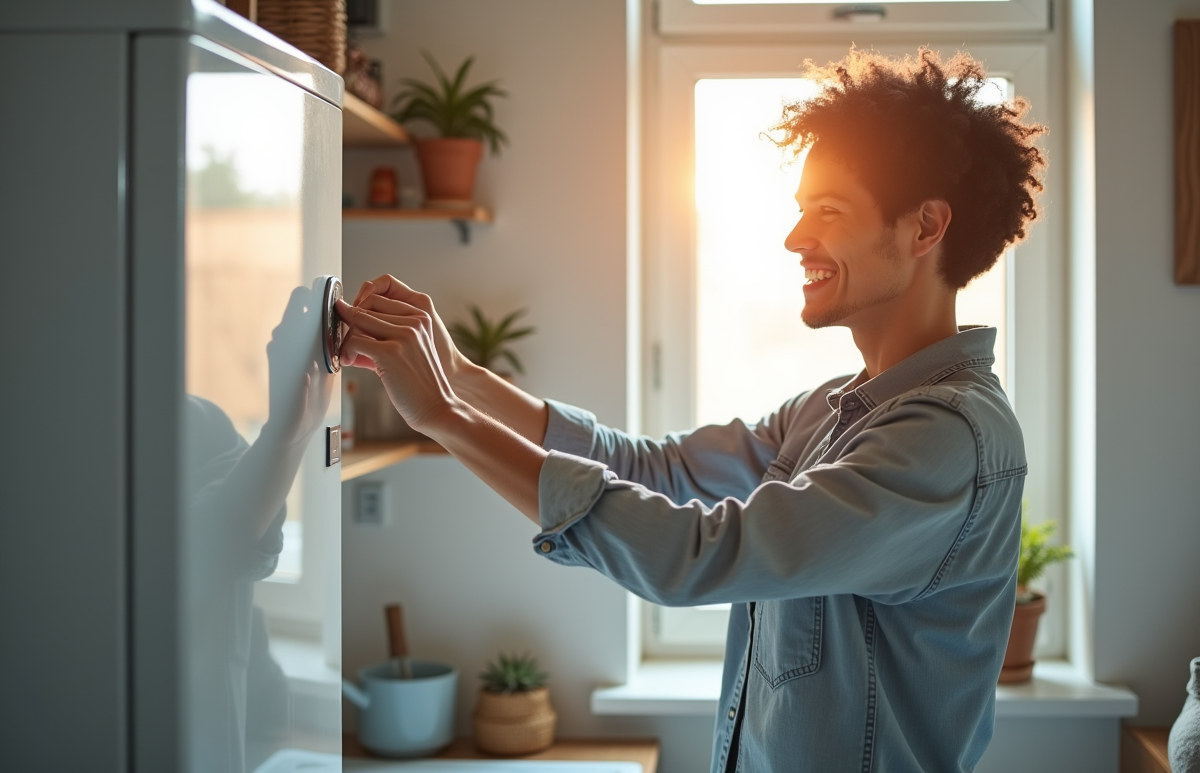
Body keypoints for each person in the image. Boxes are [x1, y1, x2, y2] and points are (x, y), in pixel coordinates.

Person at [334, 48, 1047, 773]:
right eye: (801, 211)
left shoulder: (947, 438)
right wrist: (460, 376)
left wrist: (447, 416)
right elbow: (657, 468)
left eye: (827, 211)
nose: (796, 239)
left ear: (925, 227)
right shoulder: (831, 411)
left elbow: (698, 555)